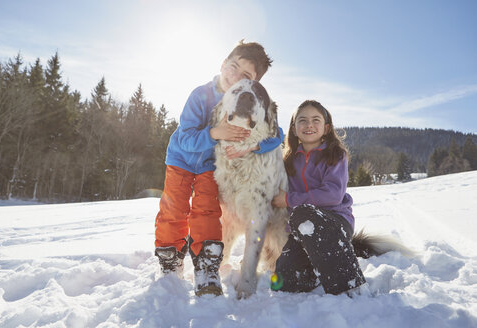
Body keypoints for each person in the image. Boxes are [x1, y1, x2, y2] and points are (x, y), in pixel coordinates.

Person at [154, 40, 284, 297]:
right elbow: (184, 138)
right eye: (233, 67)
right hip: (181, 161)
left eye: (246, 76)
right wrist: (215, 132)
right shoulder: (200, 95)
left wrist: (254, 148)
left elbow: (277, 133)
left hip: (208, 168)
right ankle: (170, 260)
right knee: (173, 210)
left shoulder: (245, 100)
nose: (235, 77)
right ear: (223, 64)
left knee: (208, 213)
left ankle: (207, 264)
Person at [271, 100, 367, 296]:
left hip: (335, 222)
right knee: (283, 281)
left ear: (326, 128)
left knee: (304, 213)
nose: (309, 125)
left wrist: (289, 199)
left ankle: (349, 283)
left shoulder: (335, 155)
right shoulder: (287, 160)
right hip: (301, 229)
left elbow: (332, 195)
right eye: (302, 120)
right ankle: (313, 273)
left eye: (316, 120)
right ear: (294, 128)